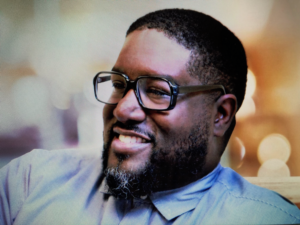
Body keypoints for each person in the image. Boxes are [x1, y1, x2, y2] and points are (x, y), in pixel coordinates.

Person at [1, 8, 300, 225]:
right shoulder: (29, 183)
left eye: (157, 91)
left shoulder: (267, 219)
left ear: (220, 115)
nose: (122, 109)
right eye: (119, 85)